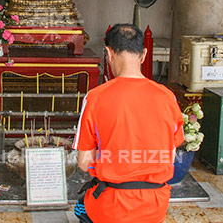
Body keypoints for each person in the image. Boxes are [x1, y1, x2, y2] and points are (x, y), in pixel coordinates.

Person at [73, 24, 185, 223]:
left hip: (110, 207)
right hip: (155, 206)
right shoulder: (168, 97)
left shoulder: (95, 98)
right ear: (143, 54)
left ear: (109, 53)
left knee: (81, 208)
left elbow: (84, 163)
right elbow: (171, 155)